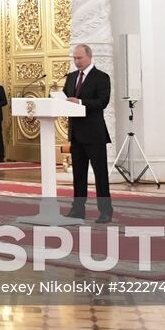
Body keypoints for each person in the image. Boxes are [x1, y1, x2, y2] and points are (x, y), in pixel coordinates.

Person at [62, 44, 113, 222]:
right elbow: (66, 97)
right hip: (76, 133)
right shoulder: (71, 77)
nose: (77, 62)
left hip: (94, 133)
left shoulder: (101, 77)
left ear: (89, 57)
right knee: (79, 175)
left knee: (100, 174)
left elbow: (102, 102)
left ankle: (105, 211)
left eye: (80, 58)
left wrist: (80, 101)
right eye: (74, 58)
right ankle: (77, 209)